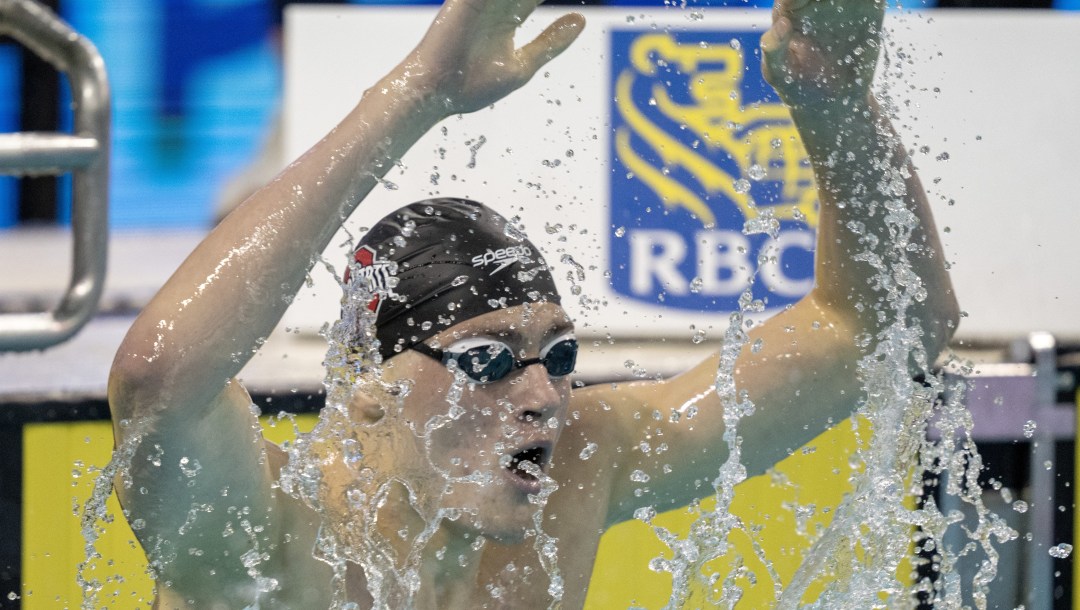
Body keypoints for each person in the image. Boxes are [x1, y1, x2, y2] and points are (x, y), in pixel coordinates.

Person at [107, 0, 959, 606]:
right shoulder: (258, 534)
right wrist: (416, 96)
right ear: (367, 390)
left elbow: (887, 331)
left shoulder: (580, 466)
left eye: (556, 356)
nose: (543, 397)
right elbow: (159, 379)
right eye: (483, 360)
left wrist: (835, 101)